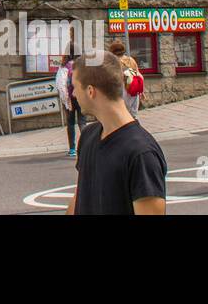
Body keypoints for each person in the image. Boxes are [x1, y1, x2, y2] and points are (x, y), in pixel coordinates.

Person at [66, 51, 167, 215]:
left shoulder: (141, 153)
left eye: (75, 87)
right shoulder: (88, 136)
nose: (73, 94)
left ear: (90, 91)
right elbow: (81, 196)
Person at [56, 55, 87, 157]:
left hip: (70, 98)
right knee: (82, 122)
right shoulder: (81, 65)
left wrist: (66, 100)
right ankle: (86, 146)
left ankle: (72, 149)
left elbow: (61, 85)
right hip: (81, 96)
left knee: (70, 123)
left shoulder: (64, 67)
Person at [108, 40, 143, 116]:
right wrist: (141, 92)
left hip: (121, 91)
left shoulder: (113, 62)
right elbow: (139, 76)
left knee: (122, 116)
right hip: (133, 90)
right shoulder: (131, 60)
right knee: (133, 116)